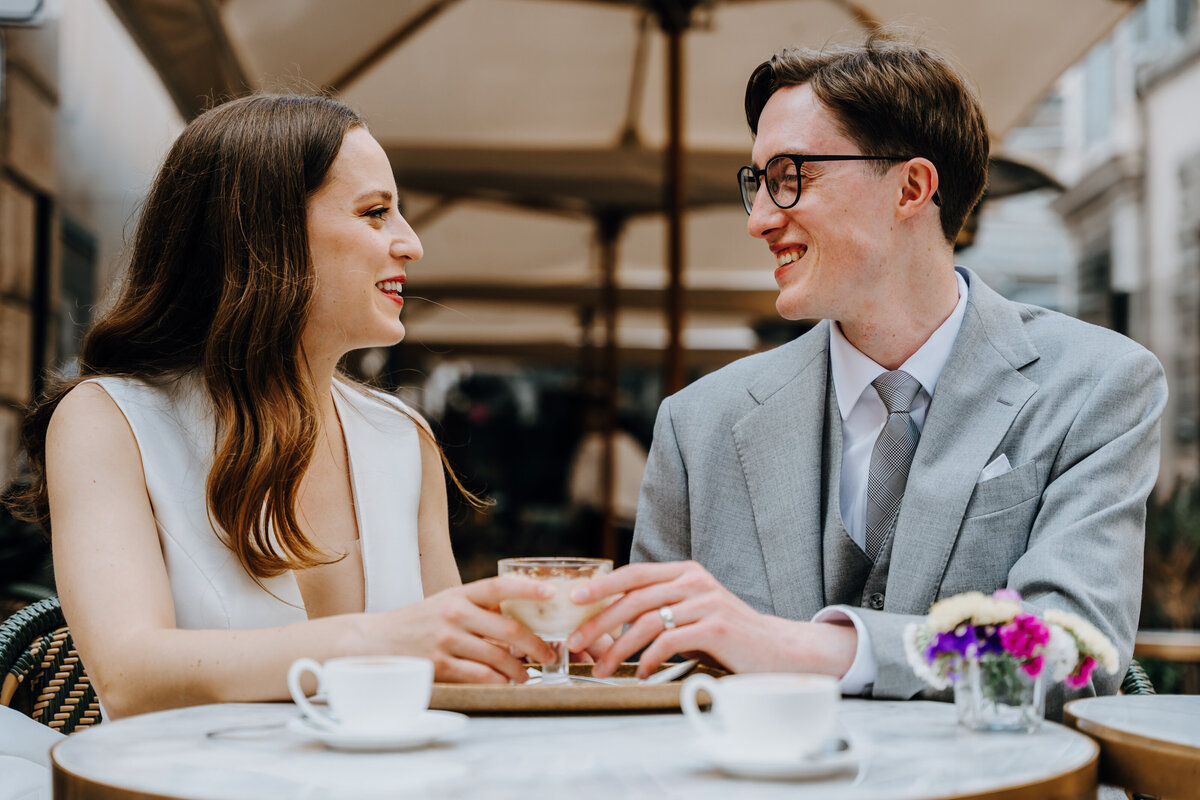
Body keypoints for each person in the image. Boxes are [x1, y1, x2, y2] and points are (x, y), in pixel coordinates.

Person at [568, 34, 1167, 714]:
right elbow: (655, 676)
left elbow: (1074, 654)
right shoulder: (696, 424)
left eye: (792, 174)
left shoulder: (1099, 385)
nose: (760, 218)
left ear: (912, 187)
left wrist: (806, 649)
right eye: (756, 183)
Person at [6, 94, 558, 720]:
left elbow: (459, 680)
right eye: (376, 213)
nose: (411, 244)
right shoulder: (110, 420)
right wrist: (378, 643)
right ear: (266, 234)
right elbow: (130, 675)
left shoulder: (404, 438)